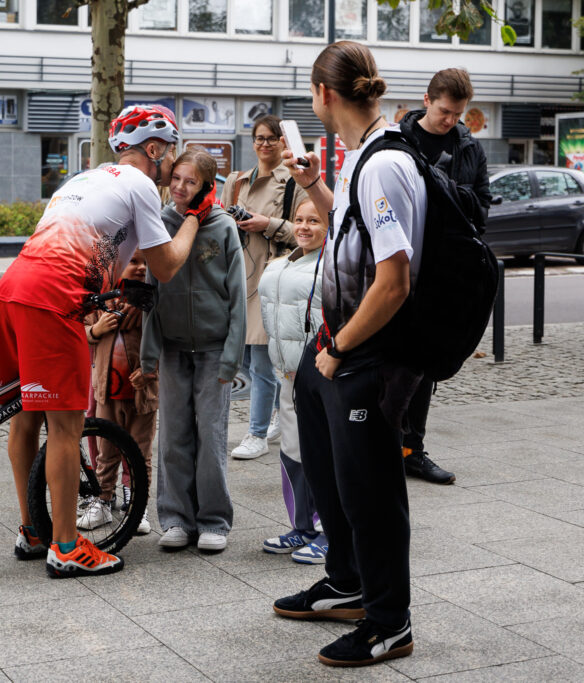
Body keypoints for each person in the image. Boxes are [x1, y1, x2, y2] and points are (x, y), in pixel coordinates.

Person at [0, 104, 217, 578]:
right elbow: (166, 266)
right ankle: (66, 547)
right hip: (53, 300)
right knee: (67, 427)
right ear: (152, 149)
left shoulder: (81, 180)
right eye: (169, 153)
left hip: (13, 289)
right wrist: (194, 216)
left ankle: (33, 531)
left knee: (25, 418)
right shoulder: (139, 184)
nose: (171, 164)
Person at [274, 41, 425, 667]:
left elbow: (395, 281)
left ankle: (389, 621)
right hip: (336, 340)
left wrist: (339, 348)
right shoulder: (358, 155)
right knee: (330, 471)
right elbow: (352, 231)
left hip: (367, 351)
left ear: (324, 94)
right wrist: (313, 185)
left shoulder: (384, 163)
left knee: (370, 491)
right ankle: (346, 582)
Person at [139, 148, 246, 553]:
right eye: (177, 179)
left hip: (214, 350)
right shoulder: (160, 223)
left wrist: (232, 356)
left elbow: (237, 296)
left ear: (206, 186)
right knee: (173, 436)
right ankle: (176, 518)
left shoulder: (223, 227)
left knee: (211, 435)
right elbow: (151, 292)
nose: (181, 187)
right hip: (172, 350)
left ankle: (214, 520)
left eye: (192, 182)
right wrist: (148, 355)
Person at [396, 67, 492, 486]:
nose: (450, 121)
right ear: (427, 100)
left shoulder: (468, 147)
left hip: (446, 270)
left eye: (458, 114)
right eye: (444, 112)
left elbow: (482, 210)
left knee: (425, 362)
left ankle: (412, 450)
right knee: (393, 359)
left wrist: (444, 189)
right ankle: (383, 446)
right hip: (402, 264)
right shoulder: (400, 141)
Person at [223, 115, 307, 460]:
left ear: (283, 142)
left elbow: (306, 230)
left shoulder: (295, 182)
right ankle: (275, 413)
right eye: (259, 137)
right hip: (236, 277)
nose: (265, 144)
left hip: (271, 278)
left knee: (259, 360)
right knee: (242, 357)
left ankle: (256, 433)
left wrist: (267, 223)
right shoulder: (237, 180)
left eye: (272, 138)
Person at [257, 198, 327, 564]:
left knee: (325, 455)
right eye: (299, 219)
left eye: (314, 220)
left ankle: (331, 531)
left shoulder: (333, 266)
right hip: (289, 374)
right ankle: (302, 526)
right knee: (293, 451)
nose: (304, 227)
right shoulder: (281, 264)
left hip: (323, 377)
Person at [78, 250, 158, 536]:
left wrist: (151, 370)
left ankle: (137, 503)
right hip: (107, 393)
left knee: (140, 453)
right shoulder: (100, 303)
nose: (141, 268)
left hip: (141, 394)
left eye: (146, 263)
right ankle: (102, 499)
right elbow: (79, 332)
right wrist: (96, 330)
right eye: (133, 261)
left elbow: (163, 341)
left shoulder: (151, 303)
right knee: (106, 452)